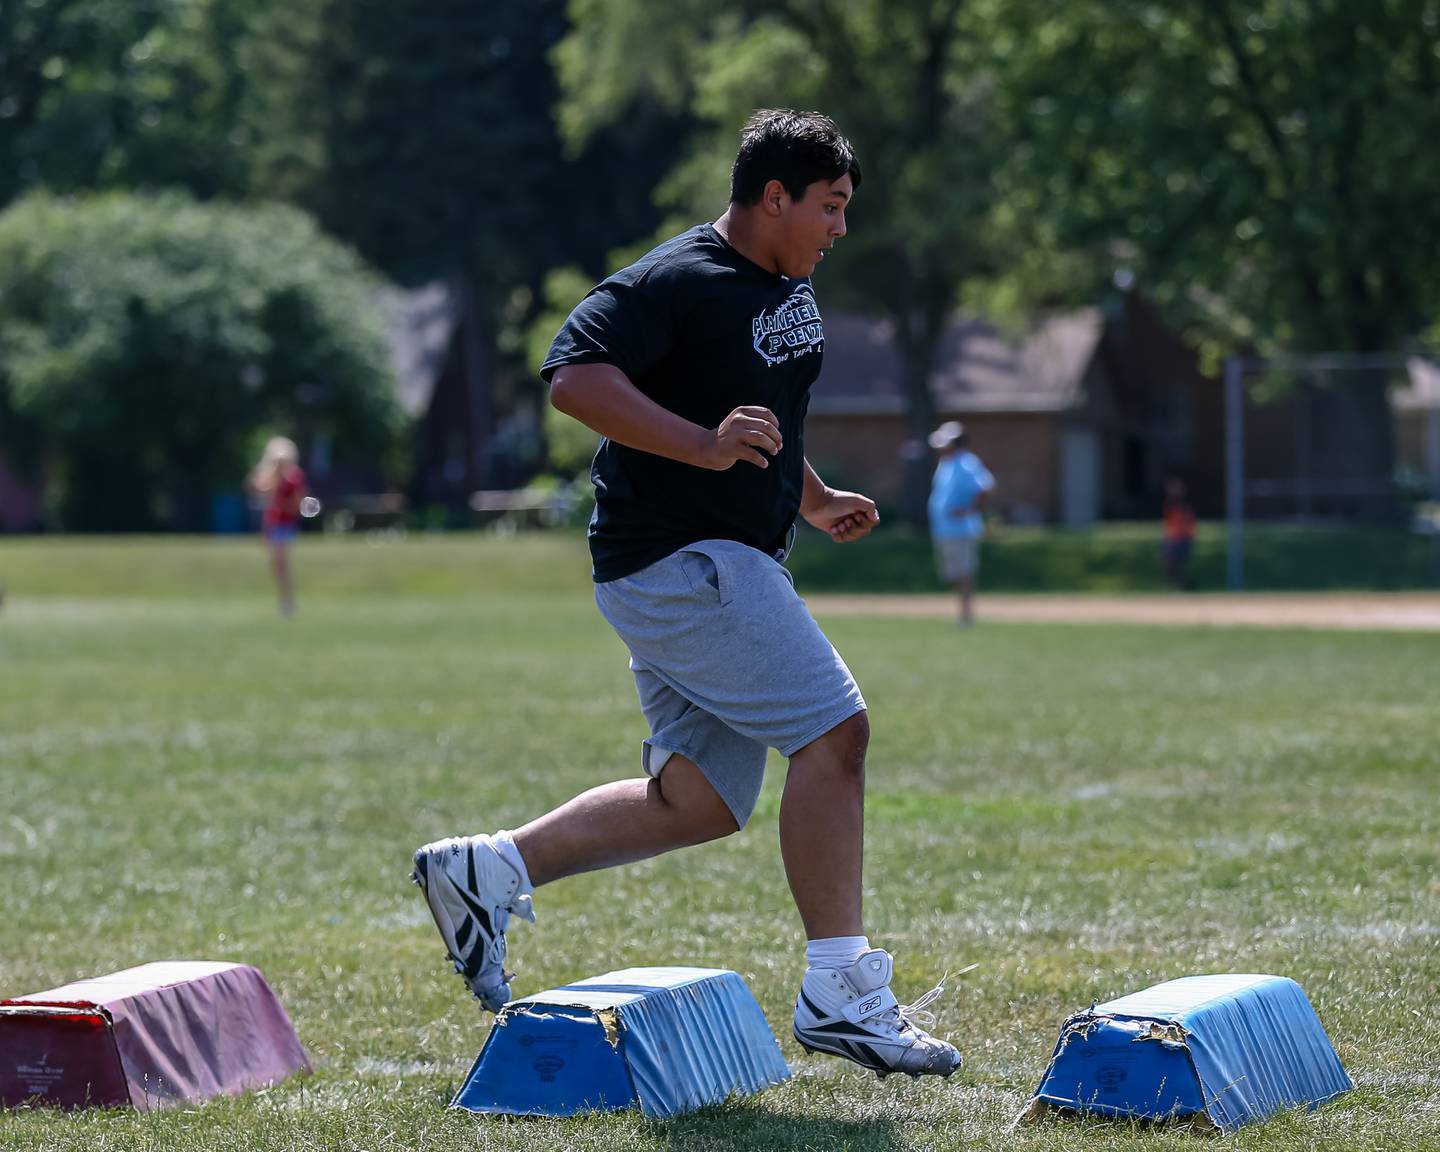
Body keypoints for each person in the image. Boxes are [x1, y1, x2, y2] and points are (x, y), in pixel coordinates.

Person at [411, 110, 962, 1080]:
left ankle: (488, 871)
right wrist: (704, 448)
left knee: (697, 801)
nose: (840, 229)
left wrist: (815, 497)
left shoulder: (788, 287)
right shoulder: (676, 277)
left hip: (716, 557)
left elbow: (763, 419)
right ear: (773, 197)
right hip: (683, 558)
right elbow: (574, 379)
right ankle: (841, 987)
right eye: (828, 208)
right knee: (837, 736)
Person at [927, 422, 994, 626]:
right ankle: (962, 612)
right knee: (952, 573)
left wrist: (968, 510)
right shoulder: (945, 463)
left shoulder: (967, 462)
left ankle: (966, 616)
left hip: (961, 529)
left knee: (964, 573)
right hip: (944, 530)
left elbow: (985, 487)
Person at [246, 436, 307, 617]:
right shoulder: (272, 478)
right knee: (277, 567)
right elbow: (254, 487)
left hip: (286, 525)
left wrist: (281, 502)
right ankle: (285, 601)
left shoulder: (294, 478)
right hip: (274, 524)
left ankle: (287, 603)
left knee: (281, 565)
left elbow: (296, 505)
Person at [1161, 474, 1196, 590]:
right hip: (1172, 538)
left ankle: (1183, 584)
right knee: (1168, 563)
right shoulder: (1169, 503)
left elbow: (1189, 520)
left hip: (1183, 538)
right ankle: (1179, 584)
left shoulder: (1184, 504)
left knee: (1178, 563)